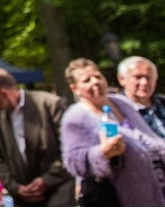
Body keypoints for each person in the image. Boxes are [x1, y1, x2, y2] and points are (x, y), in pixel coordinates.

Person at [60, 57, 165, 206]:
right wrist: (103, 153)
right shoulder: (76, 117)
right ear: (75, 88)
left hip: (156, 190)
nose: (95, 82)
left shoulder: (121, 102)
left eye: (97, 76)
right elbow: (74, 163)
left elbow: (149, 137)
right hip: (121, 197)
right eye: (86, 80)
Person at [0, 67, 73, 206]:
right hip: (23, 196)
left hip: (59, 190)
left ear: (2, 92)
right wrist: (15, 188)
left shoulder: (49, 104)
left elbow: (69, 150)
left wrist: (46, 181)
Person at [117, 55, 165, 138]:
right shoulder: (116, 110)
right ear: (122, 79)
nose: (144, 82)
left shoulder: (162, 103)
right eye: (138, 77)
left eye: (148, 77)